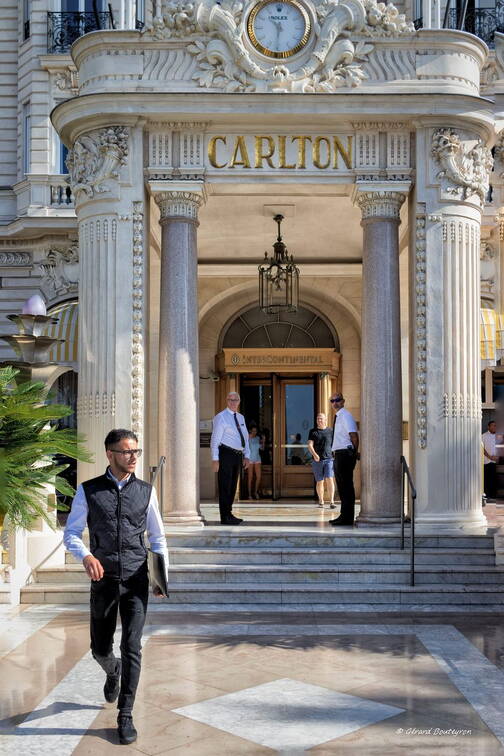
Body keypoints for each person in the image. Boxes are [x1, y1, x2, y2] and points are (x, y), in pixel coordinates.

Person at [63, 429, 168, 746]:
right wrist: (86, 556)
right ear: (110, 454)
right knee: (100, 648)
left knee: (132, 646)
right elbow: (71, 533)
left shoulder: (147, 491)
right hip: (103, 579)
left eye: (136, 451)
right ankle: (112, 670)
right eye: (126, 452)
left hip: (136, 577)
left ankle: (125, 715)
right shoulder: (89, 491)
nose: (133, 457)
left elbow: (158, 537)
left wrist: (160, 577)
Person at [211, 391, 250, 524]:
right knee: (225, 485)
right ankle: (224, 516)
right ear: (227, 401)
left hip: (237, 455)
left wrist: (247, 455)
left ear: (239, 402)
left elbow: (245, 437)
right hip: (225, 454)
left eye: (236, 400)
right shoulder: (220, 417)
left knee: (233, 486)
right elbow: (215, 439)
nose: (233, 402)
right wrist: (215, 458)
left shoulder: (241, 417)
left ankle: (229, 513)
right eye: (231, 400)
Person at [329, 393, 359, 526]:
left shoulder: (345, 415)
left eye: (337, 400)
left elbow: (354, 436)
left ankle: (347, 517)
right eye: (332, 401)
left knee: (346, 487)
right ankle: (344, 516)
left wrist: (353, 454)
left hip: (345, 454)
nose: (335, 402)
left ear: (343, 401)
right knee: (342, 487)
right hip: (338, 454)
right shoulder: (339, 416)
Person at [307, 412, 336, 509]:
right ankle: (321, 501)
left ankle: (332, 501)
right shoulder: (313, 432)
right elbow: (310, 445)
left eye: (321, 418)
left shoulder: (331, 431)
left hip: (329, 459)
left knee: (330, 479)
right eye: (317, 418)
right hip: (317, 460)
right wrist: (315, 455)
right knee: (320, 481)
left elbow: (335, 444)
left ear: (325, 420)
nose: (319, 420)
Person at [483, 420, 499, 501]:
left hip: (497, 461)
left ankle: (494, 496)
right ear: (488, 427)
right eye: (492, 425)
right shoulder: (484, 436)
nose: (494, 427)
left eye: (495, 425)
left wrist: (498, 456)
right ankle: (487, 496)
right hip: (487, 461)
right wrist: (489, 457)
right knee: (487, 479)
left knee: (495, 479)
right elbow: (482, 449)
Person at [247, 425, 263, 499]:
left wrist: (264, 441)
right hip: (250, 459)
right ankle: (249, 494)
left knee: (259, 477)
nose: (254, 432)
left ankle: (255, 492)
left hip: (257, 458)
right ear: (250, 431)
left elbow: (262, 448)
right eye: (253, 431)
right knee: (250, 477)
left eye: (255, 431)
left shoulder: (258, 438)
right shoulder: (247, 437)